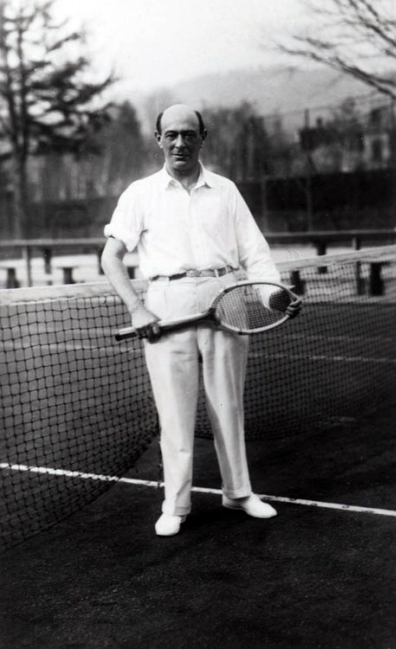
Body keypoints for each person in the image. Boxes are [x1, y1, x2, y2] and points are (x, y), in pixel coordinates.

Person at [101, 104, 301, 537]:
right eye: (171, 134)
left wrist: (274, 297)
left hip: (226, 299)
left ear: (202, 137)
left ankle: (240, 493)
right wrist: (138, 308)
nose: (180, 142)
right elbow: (111, 257)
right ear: (158, 140)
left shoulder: (226, 191)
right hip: (166, 302)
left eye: (189, 134)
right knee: (173, 412)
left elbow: (256, 255)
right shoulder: (139, 194)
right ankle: (176, 504)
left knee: (228, 405)